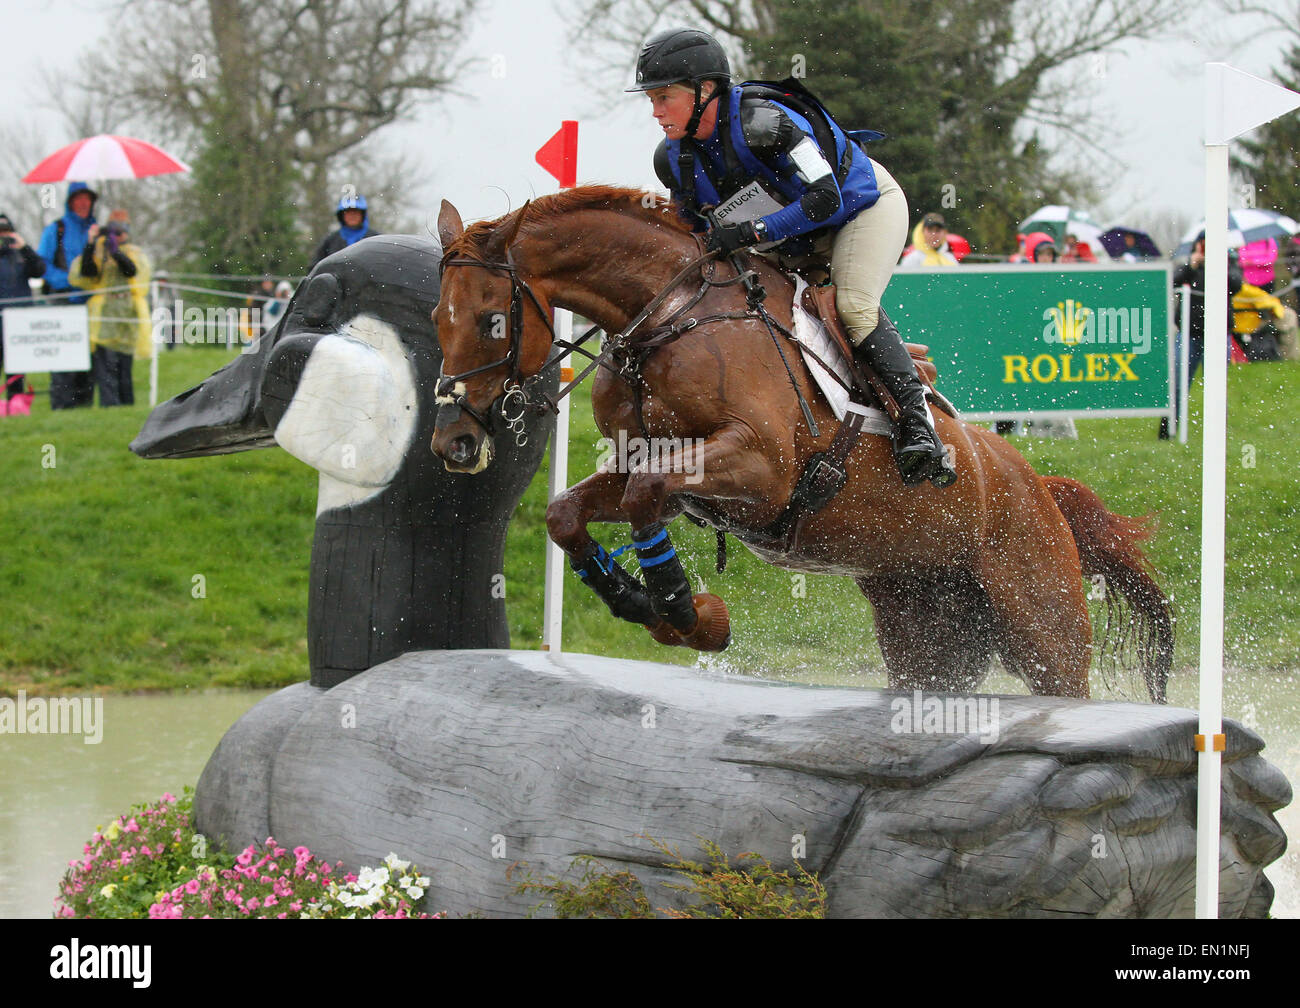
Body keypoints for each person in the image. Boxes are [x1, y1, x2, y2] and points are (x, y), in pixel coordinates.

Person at [630, 27, 955, 488]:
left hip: (860, 210)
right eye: (652, 100)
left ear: (705, 91)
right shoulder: (674, 159)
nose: (657, 112)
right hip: (793, 240)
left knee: (853, 308)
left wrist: (751, 231)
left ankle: (919, 427)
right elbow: (694, 232)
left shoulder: (766, 125)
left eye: (665, 97)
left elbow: (825, 198)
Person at [1161, 236, 1243, 439]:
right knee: (1178, 384)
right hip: (1189, 334)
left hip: (1218, 335)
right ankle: (1167, 431)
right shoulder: (1190, 265)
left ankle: (1216, 434)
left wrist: (1219, 264)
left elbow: (1235, 284)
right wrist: (1193, 264)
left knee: (1216, 387)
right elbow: (1172, 280)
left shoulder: (1228, 264)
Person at [68, 210, 152, 407]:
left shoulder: (133, 252)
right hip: (105, 311)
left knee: (124, 362)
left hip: (127, 310)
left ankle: (126, 403)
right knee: (106, 362)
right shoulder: (98, 252)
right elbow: (87, 273)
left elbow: (131, 271)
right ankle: (110, 403)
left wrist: (116, 251)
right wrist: (91, 243)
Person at [37, 182, 98, 409]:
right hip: (63, 302)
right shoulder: (56, 229)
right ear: (70, 202)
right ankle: (62, 406)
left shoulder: (96, 229)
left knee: (88, 360)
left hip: (90, 304)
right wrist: (69, 282)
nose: (83, 203)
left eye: (87, 199)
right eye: (78, 199)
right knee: (63, 357)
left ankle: (84, 408)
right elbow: (42, 264)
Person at [0, 213, 47, 407]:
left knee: (16, 366)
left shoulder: (21, 254)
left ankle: (15, 406)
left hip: (18, 319)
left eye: (6, 232)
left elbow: (40, 270)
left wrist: (25, 247)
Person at [310, 194, 379, 269]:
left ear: (362, 215)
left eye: (355, 212)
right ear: (341, 215)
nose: (352, 215)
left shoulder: (375, 238)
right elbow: (314, 267)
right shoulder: (330, 240)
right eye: (348, 212)